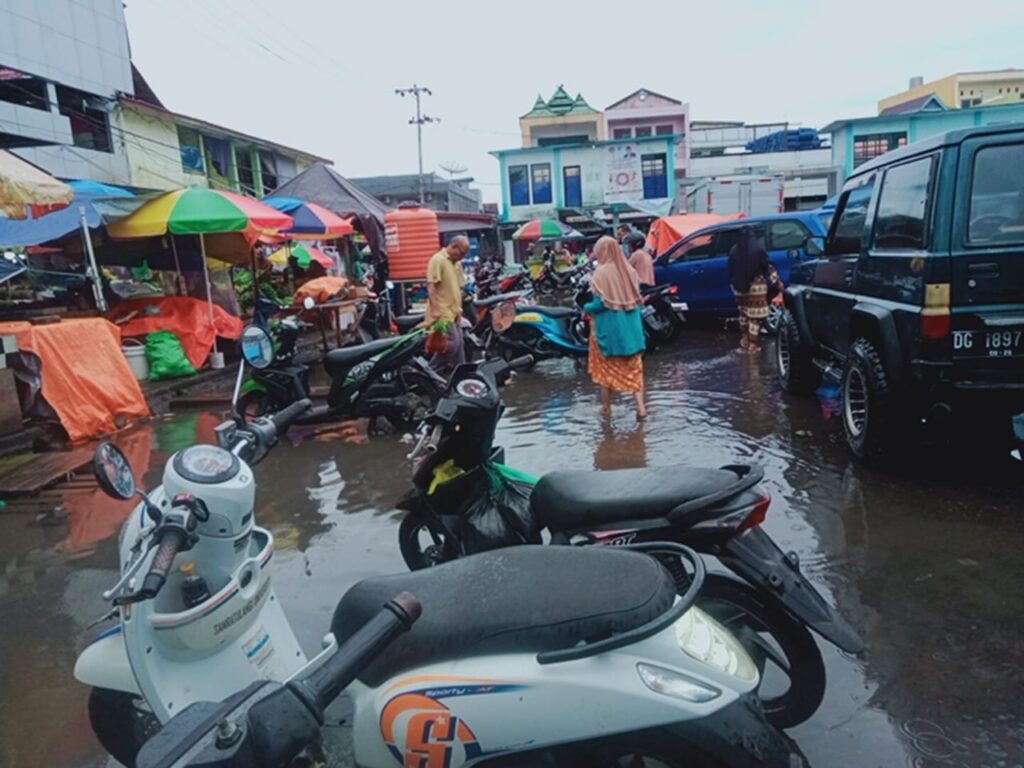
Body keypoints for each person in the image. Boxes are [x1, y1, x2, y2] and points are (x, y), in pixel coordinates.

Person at [584, 236, 647, 419]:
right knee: (635, 371)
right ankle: (641, 409)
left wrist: (586, 308)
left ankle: (606, 408)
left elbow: (599, 304)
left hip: (610, 333)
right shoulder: (630, 271)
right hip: (633, 334)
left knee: (606, 373)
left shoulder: (601, 273)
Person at [728, 225, 783, 344]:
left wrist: (734, 285)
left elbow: (730, 271)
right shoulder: (758, 249)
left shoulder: (734, 250)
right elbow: (768, 267)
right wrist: (778, 283)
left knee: (744, 313)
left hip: (739, 288)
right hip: (756, 288)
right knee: (755, 318)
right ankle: (753, 345)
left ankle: (745, 340)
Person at [425, 235, 470, 375]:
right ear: (454, 247)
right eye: (462, 252)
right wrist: (436, 310)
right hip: (443, 312)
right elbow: (431, 286)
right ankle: (429, 373)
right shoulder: (438, 259)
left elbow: (460, 287)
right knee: (451, 346)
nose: (463, 256)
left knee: (460, 347)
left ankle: (462, 376)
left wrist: (460, 309)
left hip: (454, 312)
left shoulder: (457, 263)